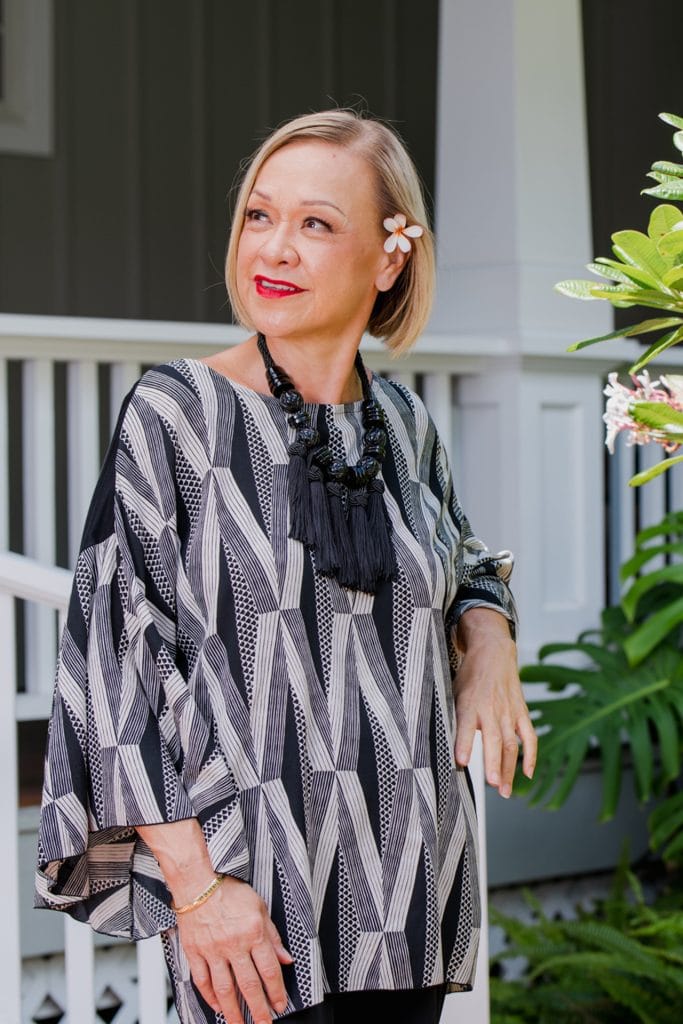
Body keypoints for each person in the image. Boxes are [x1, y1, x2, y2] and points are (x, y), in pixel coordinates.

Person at [35, 109, 536, 1024]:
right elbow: (113, 672)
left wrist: (489, 637)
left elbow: (465, 562)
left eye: (316, 224)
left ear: (389, 260)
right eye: (260, 216)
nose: (275, 248)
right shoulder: (175, 415)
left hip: (408, 888)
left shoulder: (405, 427)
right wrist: (194, 892)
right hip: (257, 907)